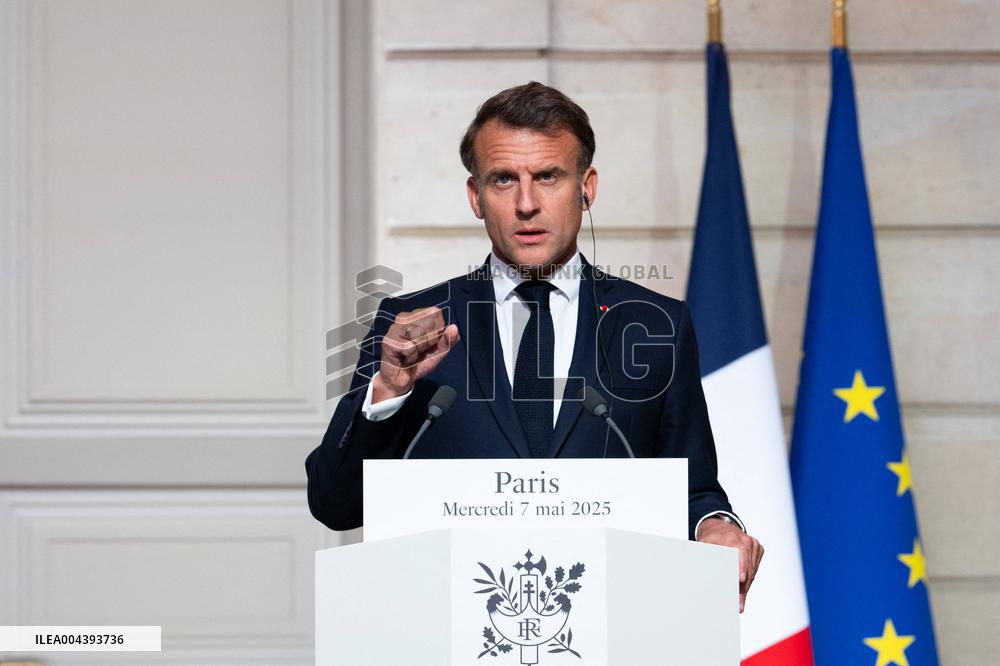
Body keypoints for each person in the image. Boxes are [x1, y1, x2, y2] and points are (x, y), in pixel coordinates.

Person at [306, 82, 763, 611]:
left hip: (610, 626)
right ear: (476, 197)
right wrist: (387, 390)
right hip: (449, 627)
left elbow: (692, 489)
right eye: (504, 179)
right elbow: (334, 504)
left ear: (586, 188)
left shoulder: (656, 324)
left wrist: (717, 528)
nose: (527, 204)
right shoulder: (411, 328)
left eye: (548, 176)